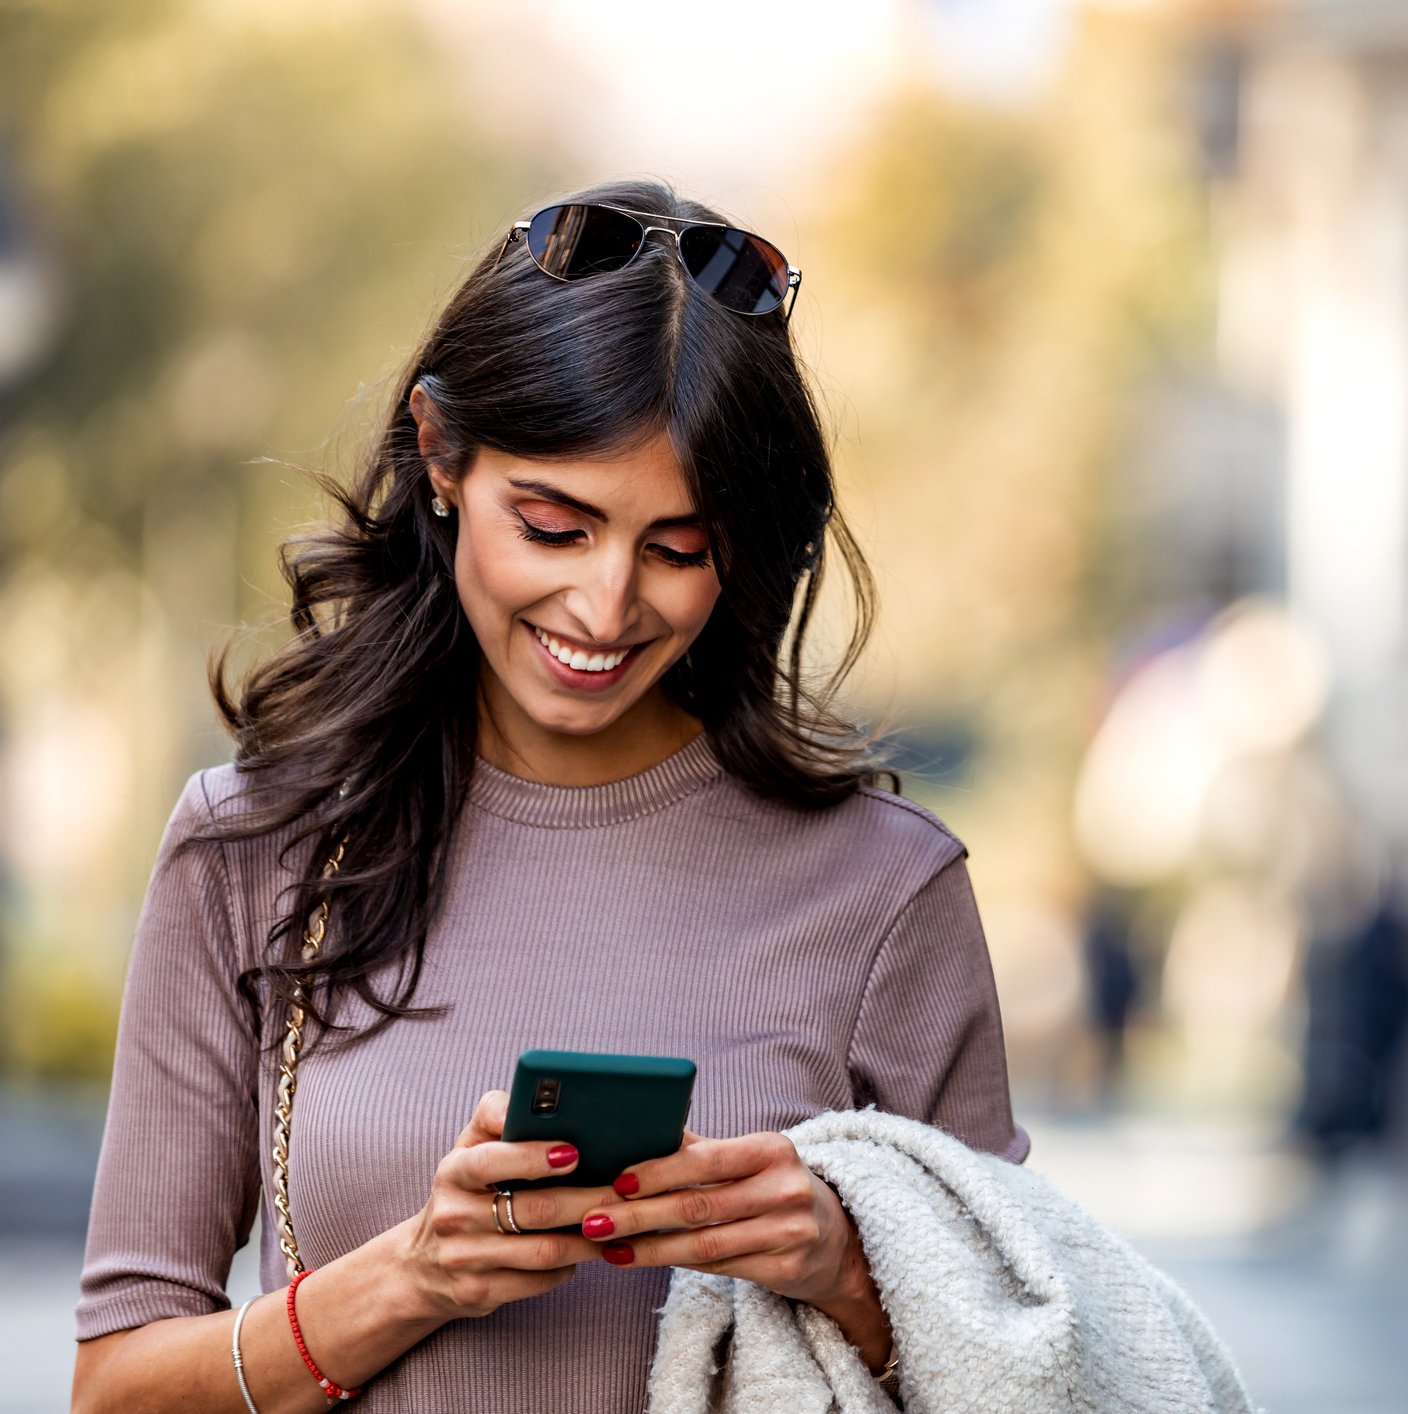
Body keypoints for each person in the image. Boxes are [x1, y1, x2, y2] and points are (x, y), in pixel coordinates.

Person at [70, 179, 1027, 1412]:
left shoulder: (887, 892)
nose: (607, 604)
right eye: (554, 525)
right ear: (440, 455)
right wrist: (415, 1276)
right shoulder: (254, 847)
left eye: (679, 548)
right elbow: (114, 1388)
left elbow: (1034, 1356)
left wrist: (845, 1266)